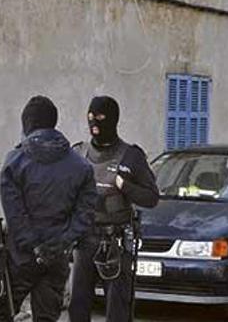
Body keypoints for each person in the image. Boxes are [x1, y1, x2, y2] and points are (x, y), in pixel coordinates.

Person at [0, 96, 97, 322]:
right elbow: (84, 215)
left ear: (27, 123)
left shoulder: (15, 161)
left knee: (0, 316)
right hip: (56, 257)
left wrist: (35, 247)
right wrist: (60, 243)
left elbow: (14, 214)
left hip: (20, 257)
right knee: (47, 317)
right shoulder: (81, 166)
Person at [69, 96, 160, 322]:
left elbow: (151, 198)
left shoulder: (131, 155)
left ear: (113, 120)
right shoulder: (79, 153)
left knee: (117, 308)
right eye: (90, 118)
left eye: (100, 118)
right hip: (84, 240)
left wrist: (124, 185)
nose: (94, 124)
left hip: (116, 241)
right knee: (77, 304)